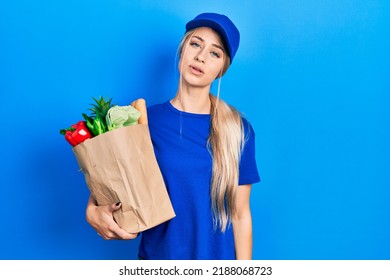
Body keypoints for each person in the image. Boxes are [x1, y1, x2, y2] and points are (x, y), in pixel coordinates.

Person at [85, 12, 261, 260]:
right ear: (182, 50)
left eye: (214, 53)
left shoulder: (238, 130)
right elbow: (109, 188)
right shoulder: (142, 120)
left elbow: (241, 215)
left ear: (222, 69)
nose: (200, 56)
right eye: (196, 44)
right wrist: (91, 212)